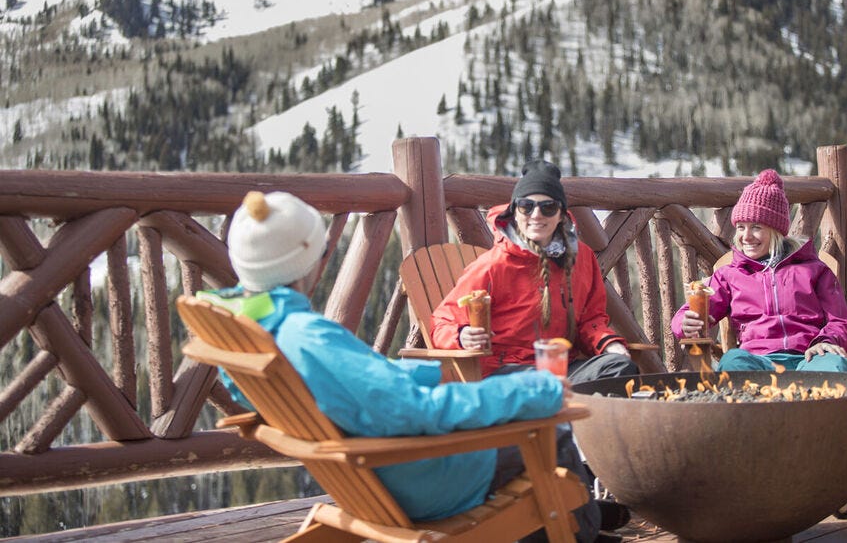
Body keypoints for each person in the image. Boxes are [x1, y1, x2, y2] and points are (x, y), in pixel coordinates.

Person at [197, 190, 619, 542]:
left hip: (363, 478)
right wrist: (534, 391)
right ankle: (578, 529)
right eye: (324, 248)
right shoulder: (307, 338)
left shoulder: (250, 327)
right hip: (423, 476)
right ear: (311, 260)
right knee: (549, 428)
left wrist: (428, 373)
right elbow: (414, 411)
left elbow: (364, 386)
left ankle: (575, 519)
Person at [431, 159, 639, 384]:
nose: (536, 215)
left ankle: (580, 413)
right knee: (546, 386)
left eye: (548, 207)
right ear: (515, 212)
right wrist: (461, 335)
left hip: (562, 369)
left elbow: (591, 320)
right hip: (507, 372)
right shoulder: (492, 265)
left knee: (620, 367)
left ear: (561, 215)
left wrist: (609, 344)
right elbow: (441, 323)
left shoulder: (582, 259)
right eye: (526, 206)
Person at [671, 169, 847, 373]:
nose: (746, 236)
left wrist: (826, 340)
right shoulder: (729, 276)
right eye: (740, 227)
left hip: (809, 359)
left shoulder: (814, 270)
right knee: (732, 361)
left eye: (756, 227)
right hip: (758, 362)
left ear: (776, 230)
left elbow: (841, 323)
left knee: (836, 365)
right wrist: (684, 323)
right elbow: (691, 313)